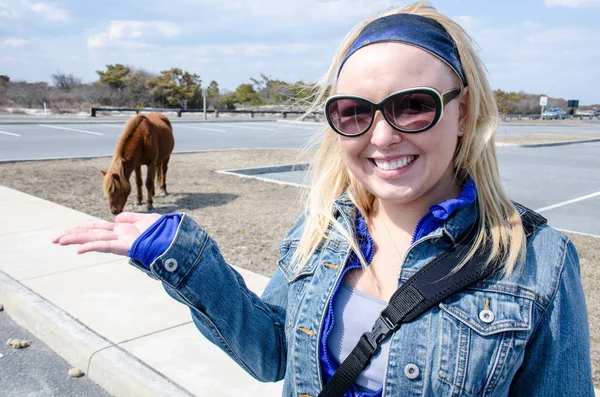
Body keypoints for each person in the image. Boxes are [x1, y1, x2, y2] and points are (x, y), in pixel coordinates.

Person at [53, 1, 594, 396]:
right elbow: (272, 355)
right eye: (355, 112)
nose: (382, 137)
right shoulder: (323, 229)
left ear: (464, 113)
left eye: (412, 106)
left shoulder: (538, 262)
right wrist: (187, 261)